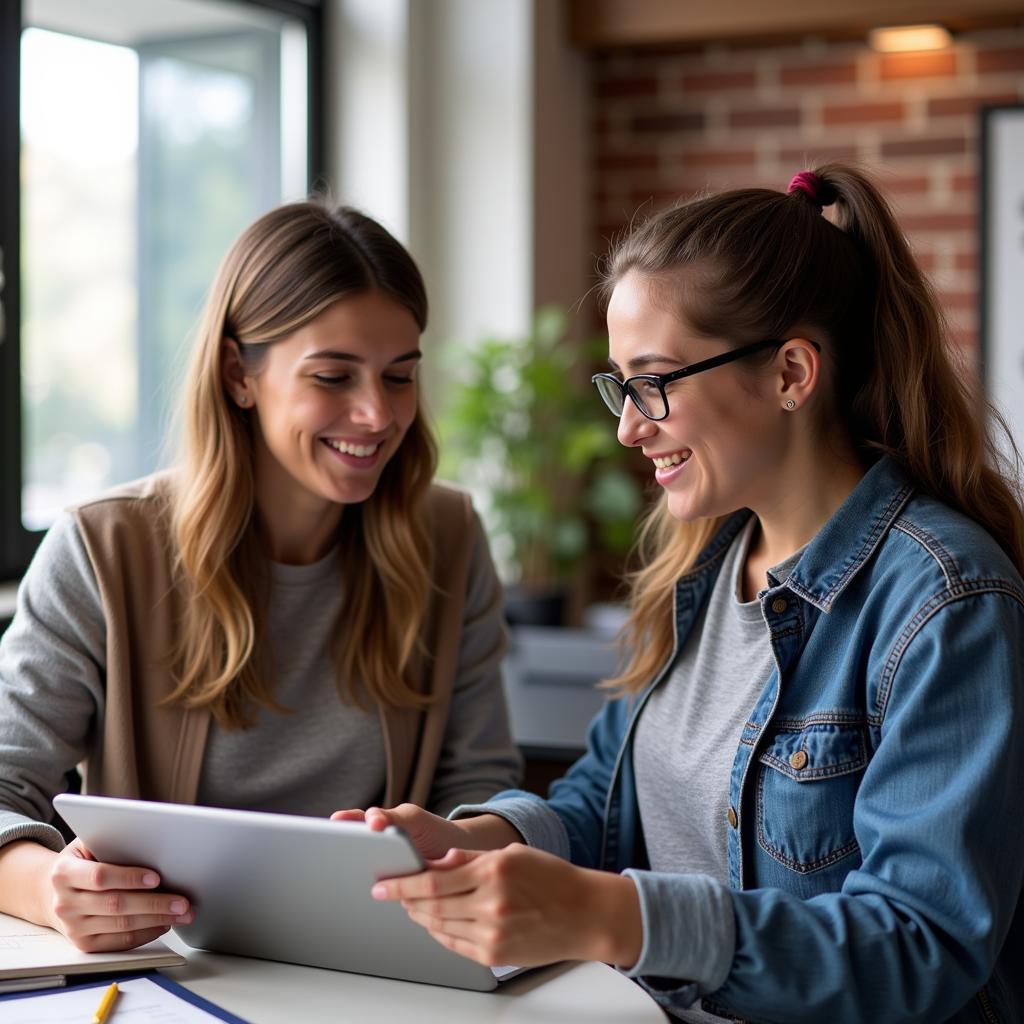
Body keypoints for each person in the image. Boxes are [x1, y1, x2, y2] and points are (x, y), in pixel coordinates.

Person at [344, 165, 1024, 1022]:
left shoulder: (945, 599)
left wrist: (612, 917)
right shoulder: (697, 566)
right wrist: (474, 841)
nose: (630, 426)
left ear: (789, 374)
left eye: (654, 382)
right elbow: (604, 799)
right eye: (621, 386)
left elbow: (919, 947)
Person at [0, 200, 522, 954]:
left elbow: (484, 788)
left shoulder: (447, 540)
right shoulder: (102, 549)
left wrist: (467, 837)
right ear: (238, 374)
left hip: (378, 962)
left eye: (400, 376)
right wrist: (51, 893)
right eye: (334, 376)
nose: (377, 414)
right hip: (174, 971)